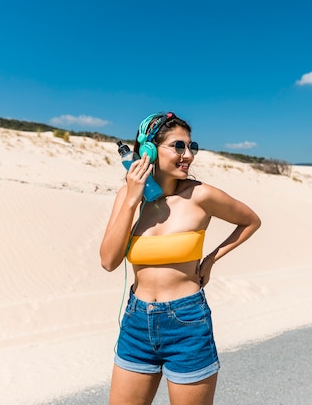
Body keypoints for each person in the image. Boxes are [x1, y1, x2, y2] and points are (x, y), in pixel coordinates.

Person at [100, 112, 261, 405]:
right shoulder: (127, 195)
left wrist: (212, 258)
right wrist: (133, 198)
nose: (188, 155)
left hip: (187, 322)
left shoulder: (202, 196)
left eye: (191, 147)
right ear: (148, 150)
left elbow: (250, 221)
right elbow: (109, 261)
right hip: (137, 322)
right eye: (178, 147)